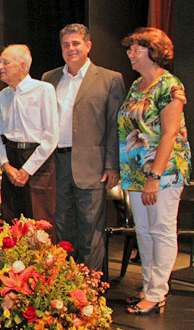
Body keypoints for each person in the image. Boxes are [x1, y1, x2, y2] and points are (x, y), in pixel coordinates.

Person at [42, 23, 125, 271]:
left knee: (91, 228)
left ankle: (91, 288)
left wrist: (112, 166)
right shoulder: (50, 78)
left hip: (93, 165)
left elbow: (114, 126)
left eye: (76, 43)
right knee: (63, 226)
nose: (71, 49)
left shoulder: (110, 79)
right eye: (66, 44)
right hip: (58, 163)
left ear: (88, 46)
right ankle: (67, 288)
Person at [119, 27, 190, 315]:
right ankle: (149, 287)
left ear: (154, 52)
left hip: (163, 172)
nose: (130, 53)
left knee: (161, 231)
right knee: (144, 232)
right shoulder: (137, 86)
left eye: (136, 48)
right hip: (136, 171)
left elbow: (170, 135)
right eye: (130, 48)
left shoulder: (170, 86)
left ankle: (159, 291)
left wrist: (154, 176)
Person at [0, 45, 59, 235]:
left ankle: (42, 265)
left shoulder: (43, 90)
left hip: (37, 161)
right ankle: (13, 265)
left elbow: (51, 136)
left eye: (6, 62)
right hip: (11, 159)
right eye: (0, 62)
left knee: (39, 223)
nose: (0, 67)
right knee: (11, 223)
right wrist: (6, 166)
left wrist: (26, 171)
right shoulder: (3, 95)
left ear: (23, 65)